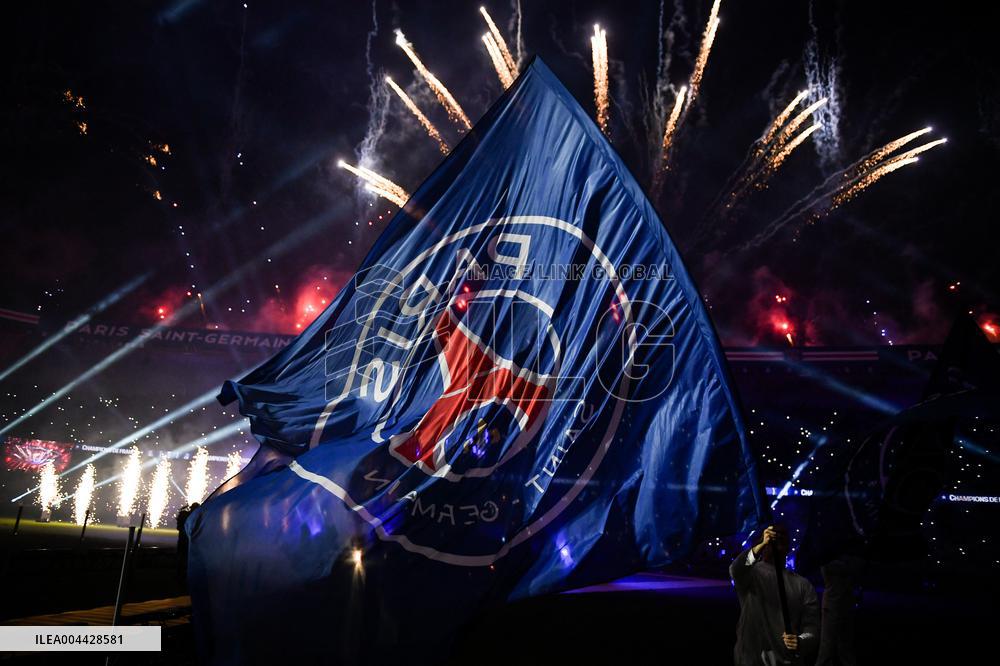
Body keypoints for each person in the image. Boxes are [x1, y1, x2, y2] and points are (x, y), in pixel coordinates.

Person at [731, 525, 820, 665]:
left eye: (782, 536)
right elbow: (736, 569)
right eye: (773, 536)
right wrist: (760, 546)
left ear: (788, 545)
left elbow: (812, 628)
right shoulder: (751, 575)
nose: (776, 538)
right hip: (751, 660)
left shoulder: (803, 585)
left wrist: (800, 640)